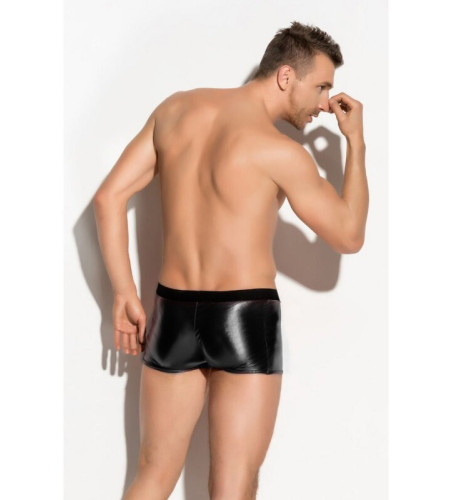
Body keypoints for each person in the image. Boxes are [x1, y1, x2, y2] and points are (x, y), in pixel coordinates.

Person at [94, 20, 369, 500]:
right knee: (234, 486)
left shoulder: (176, 109)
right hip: (245, 318)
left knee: (152, 476)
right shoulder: (281, 153)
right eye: (322, 86)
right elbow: (348, 235)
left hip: (172, 311)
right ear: (286, 76)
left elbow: (108, 197)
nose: (326, 103)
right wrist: (356, 143)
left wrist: (123, 292)